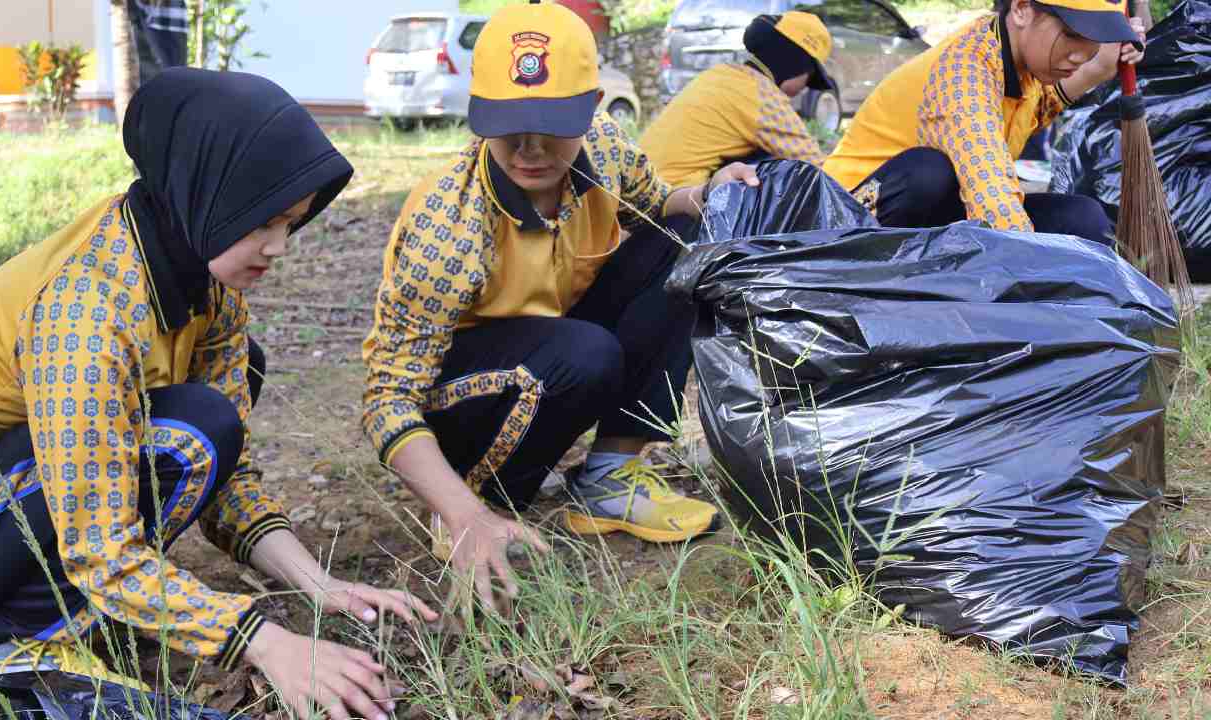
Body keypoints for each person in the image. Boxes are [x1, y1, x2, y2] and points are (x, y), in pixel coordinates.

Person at [0, 68, 436, 720]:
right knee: (191, 424)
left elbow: (225, 474)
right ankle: (6, 654)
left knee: (211, 413)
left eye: (293, 223)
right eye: (265, 221)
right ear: (206, 192)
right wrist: (261, 643)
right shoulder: (89, 310)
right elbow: (102, 546)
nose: (280, 247)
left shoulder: (202, 282)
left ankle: (59, 620)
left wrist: (319, 584)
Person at [361, 1, 759, 611]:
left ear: (594, 108)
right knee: (585, 350)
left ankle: (609, 477)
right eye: (508, 124)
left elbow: (657, 204)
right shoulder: (449, 226)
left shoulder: (605, 151)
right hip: (462, 402)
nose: (530, 148)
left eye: (553, 123)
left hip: (548, 356)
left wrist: (709, 192)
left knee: (681, 249)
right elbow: (386, 399)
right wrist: (459, 508)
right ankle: (479, 499)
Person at [822, 0, 1145, 244]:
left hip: (931, 221)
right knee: (930, 173)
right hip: (838, 224)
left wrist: (1114, 49)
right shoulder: (964, 73)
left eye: (1093, 40)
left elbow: (1090, 70)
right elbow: (994, 202)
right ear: (1021, 9)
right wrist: (1038, 271)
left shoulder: (1026, 69)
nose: (1079, 54)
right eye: (1072, 34)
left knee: (1082, 218)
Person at [640, 11, 835, 187]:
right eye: (809, 80)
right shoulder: (762, 96)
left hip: (638, 188)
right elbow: (818, 169)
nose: (804, 89)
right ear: (798, 66)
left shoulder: (720, 74)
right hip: (673, 201)